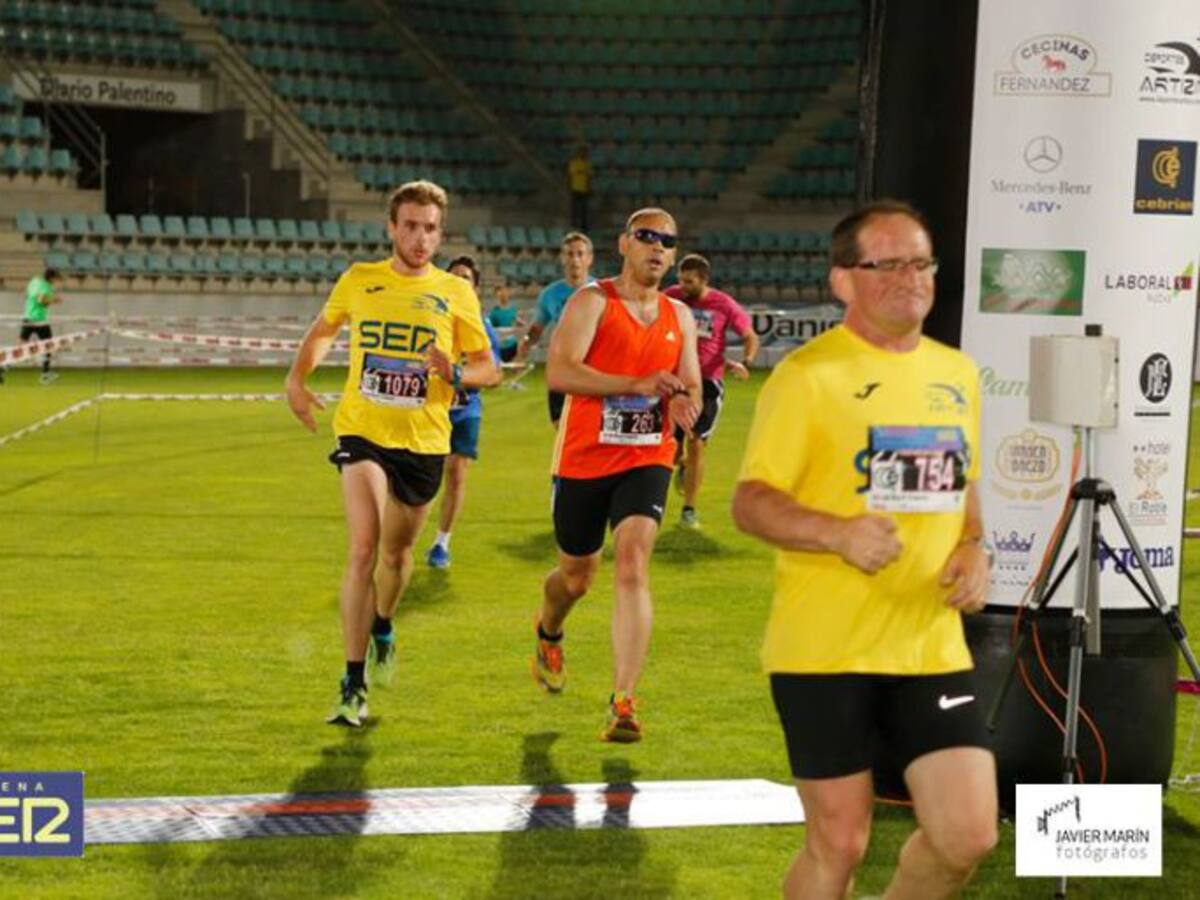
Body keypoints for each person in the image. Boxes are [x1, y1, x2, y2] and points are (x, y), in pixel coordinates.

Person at [731, 200, 997, 899]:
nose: (908, 277)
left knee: (968, 832)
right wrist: (838, 533)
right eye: (886, 264)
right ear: (844, 281)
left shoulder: (958, 374)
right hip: (825, 651)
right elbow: (750, 502)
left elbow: (962, 486)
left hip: (929, 645)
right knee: (840, 843)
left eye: (920, 261)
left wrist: (975, 546)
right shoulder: (808, 377)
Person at [286, 180, 499, 728]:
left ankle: (384, 623)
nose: (420, 237)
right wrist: (297, 378)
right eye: (410, 225)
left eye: (430, 228)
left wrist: (453, 372)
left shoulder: (456, 292)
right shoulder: (361, 280)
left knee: (397, 558)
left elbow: (488, 369)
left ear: (440, 232)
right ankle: (352, 683)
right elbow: (324, 331)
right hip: (362, 431)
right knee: (363, 547)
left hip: (425, 442)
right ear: (391, 227)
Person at [531, 207, 701, 743]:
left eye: (667, 241)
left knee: (632, 563)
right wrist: (638, 382)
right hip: (583, 459)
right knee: (576, 579)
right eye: (647, 236)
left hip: (646, 457)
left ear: (673, 254)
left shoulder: (681, 319)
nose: (657, 247)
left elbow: (690, 387)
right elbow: (560, 372)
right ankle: (549, 629)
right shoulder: (592, 302)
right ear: (625, 243)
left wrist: (684, 407)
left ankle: (623, 701)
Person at [663, 254, 760, 529]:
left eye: (689, 282)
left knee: (696, 442)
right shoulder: (671, 297)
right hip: (675, 380)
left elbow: (750, 335)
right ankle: (678, 464)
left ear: (704, 280)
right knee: (668, 447)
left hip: (707, 383)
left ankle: (688, 511)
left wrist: (746, 362)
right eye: (680, 280)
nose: (682, 286)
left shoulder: (723, 304)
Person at [426, 255, 502, 569]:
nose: (459, 282)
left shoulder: (482, 328)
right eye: (454, 277)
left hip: (465, 411)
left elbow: (495, 374)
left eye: (466, 278)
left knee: (456, 474)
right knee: (423, 477)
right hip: (430, 410)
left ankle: (442, 543)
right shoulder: (430, 321)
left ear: (475, 288)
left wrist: (461, 376)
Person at [516, 231, 594, 426]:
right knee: (559, 424)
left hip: (593, 367)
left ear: (589, 258)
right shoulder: (550, 294)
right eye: (570, 254)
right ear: (562, 258)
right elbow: (538, 326)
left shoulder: (601, 291)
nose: (575, 259)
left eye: (580, 254)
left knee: (590, 426)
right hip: (561, 366)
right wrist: (526, 342)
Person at [21, 267, 63, 384]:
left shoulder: (34, 281)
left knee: (21, 344)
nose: (56, 282)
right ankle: (45, 374)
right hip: (39, 320)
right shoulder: (47, 287)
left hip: (28, 316)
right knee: (49, 345)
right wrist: (54, 300)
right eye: (56, 279)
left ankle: (3, 368)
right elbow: (41, 300)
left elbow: (28, 293)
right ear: (51, 278)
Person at [487, 282, 524, 363]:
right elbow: (490, 328)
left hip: (511, 344)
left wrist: (520, 323)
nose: (504, 297)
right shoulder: (494, 313)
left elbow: (519, 322)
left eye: (505, 294)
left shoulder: (513, 311)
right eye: (501, 295)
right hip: (499, 345)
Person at [568, 145, 593, 232]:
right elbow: (570, 176)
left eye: (585, 152)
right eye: (582, 152)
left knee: (584, 209)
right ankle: (573, 225)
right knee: (574, 208)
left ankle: (584, 226)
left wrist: (589, 187)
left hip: (584, 189)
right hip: (575, 188)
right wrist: (569, 187)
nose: (583, 154)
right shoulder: (574, 163)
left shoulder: (588, 164)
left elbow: (590, 176)